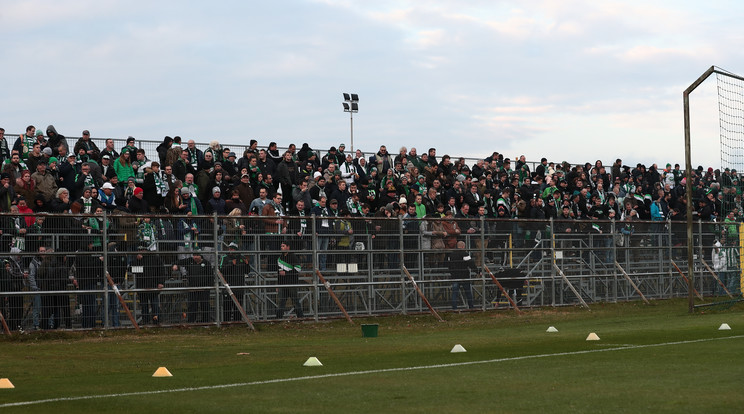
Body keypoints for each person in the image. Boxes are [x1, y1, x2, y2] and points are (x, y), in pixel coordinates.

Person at [179, 252, 213, 323]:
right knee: (192, 306)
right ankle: (191, 321)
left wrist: (209, 286)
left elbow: (210, 276)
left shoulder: (206, 263)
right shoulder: (189, 261)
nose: (195, 257)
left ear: (201, 256)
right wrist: (175, 265)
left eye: (197, 255)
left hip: (204, 289)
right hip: (192, 288)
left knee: (205, 305)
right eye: (194, 255)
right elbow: (179, 262)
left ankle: (206, 321)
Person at [275, 240, 304, 319]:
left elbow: (298, 269)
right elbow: (279, 273)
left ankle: (300, 317)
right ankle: (278, 318)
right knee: (281, 302)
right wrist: (278, 284)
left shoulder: (293, 257)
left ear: (288, 247)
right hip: (282, 284)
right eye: (281, 246)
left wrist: (287, 273)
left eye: (283, 246)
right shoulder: (279, 258)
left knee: (295, 301)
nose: (281, 248)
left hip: (292, 283)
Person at [448, 240, 477, 310]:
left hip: (455, 276)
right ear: (463, 246)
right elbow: (471, 264)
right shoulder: (465, 254)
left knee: (455, 293)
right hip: (464, 276)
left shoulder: (451, 255)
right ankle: (471, 307)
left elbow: (449, 265)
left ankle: (454, 308)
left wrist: (452, 273)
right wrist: (477, 271)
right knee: (468, 292)